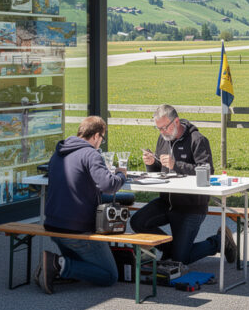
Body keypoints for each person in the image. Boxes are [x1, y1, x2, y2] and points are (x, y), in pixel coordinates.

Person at [130, 104, 236, 265]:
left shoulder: (197, 140)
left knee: (181, 259)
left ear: (177, 121)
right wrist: (151, 163)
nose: (162, 132)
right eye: (158, 129)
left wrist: (176, 165)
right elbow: (159, 171)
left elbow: (207, 172)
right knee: (137, 222)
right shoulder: (163, 139)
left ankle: (219, 242)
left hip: (191, 207)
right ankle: (172, 251)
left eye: (164, 127)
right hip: (167, 203)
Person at [41, 115, 126, 293]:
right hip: (76, 229)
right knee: (110, 276)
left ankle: (61, 264)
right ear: (96, 135)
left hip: (52, 224)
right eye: (102, 138)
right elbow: (108, 185)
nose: (101, 143)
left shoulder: (58, 152)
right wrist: (121, 175)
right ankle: (58, 264)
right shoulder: (91, 154)